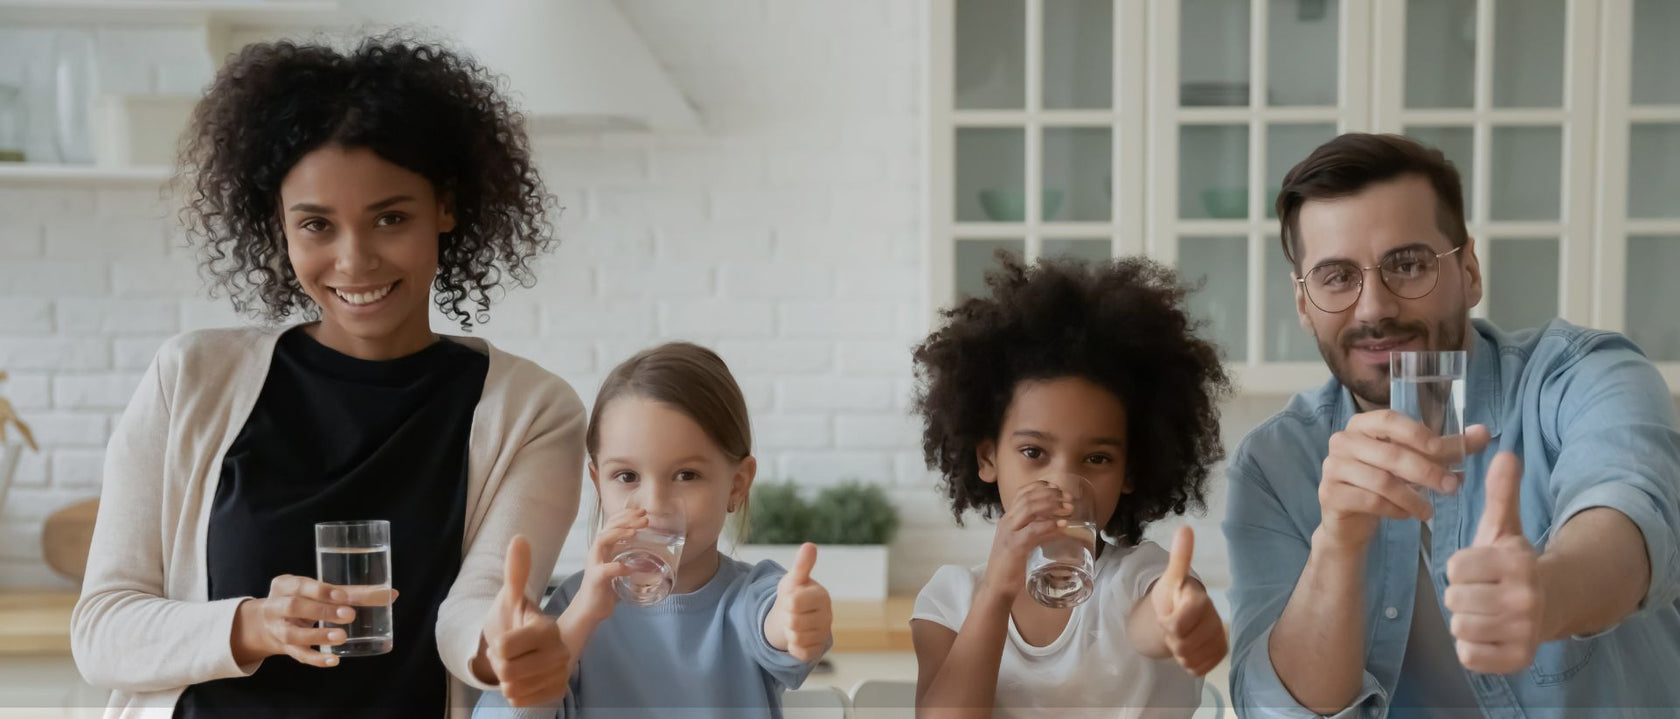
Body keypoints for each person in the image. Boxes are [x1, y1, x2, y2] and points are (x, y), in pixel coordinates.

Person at [71, 35, 584, 717]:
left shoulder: (532, 410)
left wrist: (507, 647)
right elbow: (102, 628)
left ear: (447, 207)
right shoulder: (191, 378)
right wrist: (254, 623)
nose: (354, 259)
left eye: (391, 218)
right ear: (279, 229)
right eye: (316, 225)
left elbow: (480, 604)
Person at [1224, 132, 1680, 717]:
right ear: (1304, 304)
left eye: (1408, 265)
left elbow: (1634, 515)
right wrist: (1337, 542)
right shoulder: (1273, 465)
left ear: (1469, 270)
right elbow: (1275, 709)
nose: (1374, 308)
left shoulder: (1579, 375)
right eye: (1336, 277)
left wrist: (1546, 593)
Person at [909, 255, 1232, 718]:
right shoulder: (951, 599)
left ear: (1130, 473)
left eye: (1097, 459)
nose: (1063, 483)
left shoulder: (1143, 577)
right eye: (1034, 453)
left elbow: (1154, 622)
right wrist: (996, 592)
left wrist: (1180, 616)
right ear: (987, 457)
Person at [475, 342, 833, 719]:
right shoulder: (574, 606)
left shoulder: (752, 598)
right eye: (627, 476)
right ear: (598, 484)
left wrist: (798, 618)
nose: (654, 503)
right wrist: (581, 617)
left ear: (737, 485)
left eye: (686, 475)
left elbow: (777, 627)